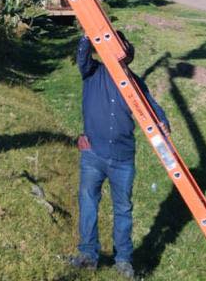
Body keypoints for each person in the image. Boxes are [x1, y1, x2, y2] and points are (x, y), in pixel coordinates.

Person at [71, 31, 170, 277]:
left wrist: (163, 122)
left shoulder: (135, 84)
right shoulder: (93, 72)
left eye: (121, 46)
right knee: (88, 203)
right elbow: (82, 56)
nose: (117, 50)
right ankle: (87, 255)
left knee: (123, 209)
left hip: (123, 158)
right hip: (94, 152)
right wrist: (88, 35)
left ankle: (123, 260)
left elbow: (153, 108)